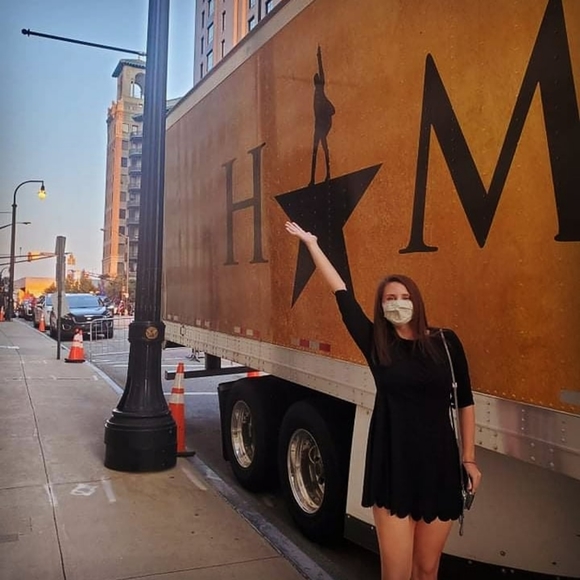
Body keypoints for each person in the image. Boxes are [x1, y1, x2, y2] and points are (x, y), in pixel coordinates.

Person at [284, 221, 482, 580]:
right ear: (381, 306)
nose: (398, 303)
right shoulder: (377, 343)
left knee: (427, 569)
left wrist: (469, 459)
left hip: (439, 467)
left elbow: (464, 402)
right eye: (390, 299)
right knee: (396, 572)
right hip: (393, 466)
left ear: (417, 301)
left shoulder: (446, 342)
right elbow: (342, 293)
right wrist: (312, 244)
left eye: (404, 297)